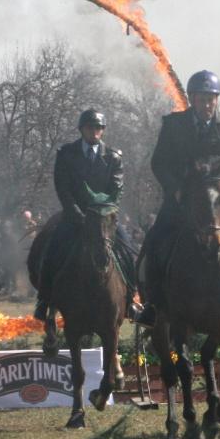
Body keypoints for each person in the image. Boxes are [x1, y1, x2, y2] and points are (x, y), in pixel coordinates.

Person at [135, 70, 220, 327]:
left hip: (217, 201)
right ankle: (151, 303)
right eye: (202, 99)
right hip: (181, 200)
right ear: (192, 99)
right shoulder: (174, 125)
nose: (207, 104)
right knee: (152, 242)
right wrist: (174, 188)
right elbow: (159, 163)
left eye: (211, 99)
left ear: (216, 100)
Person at [33, 109, 138, 320]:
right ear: (82, 129)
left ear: (103, 131)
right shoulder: (66, 153)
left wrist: (103, 214)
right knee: (52, 250)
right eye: (90, 127)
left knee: (128, 251)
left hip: (104, 217)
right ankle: (44, 299)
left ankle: (131, 301)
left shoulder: (114, 157)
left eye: (99, 128)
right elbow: (63, 188)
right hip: (75, 216)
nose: (94, 131)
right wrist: (79, 216)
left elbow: (116, 189)